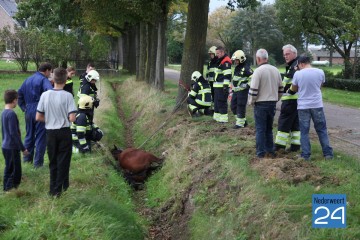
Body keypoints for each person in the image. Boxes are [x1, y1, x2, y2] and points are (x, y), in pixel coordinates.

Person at [36, 67, 77, 197]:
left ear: (52, 80)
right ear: (65, 80)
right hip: (64, 132)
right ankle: (59, 189)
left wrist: (50, 119)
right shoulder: (68, 96)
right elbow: (72, 118)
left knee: (52, 161)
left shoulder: (45, 95)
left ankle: (52, 189)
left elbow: (38, 117)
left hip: (50, 132)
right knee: (63, 161)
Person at [288, 56, 334, 160]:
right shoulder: (320, 72)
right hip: (317, 105)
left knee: (304, 131)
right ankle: (328, 154)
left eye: (298, 65)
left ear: (301, 64)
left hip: (303, 106)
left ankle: (306, 155)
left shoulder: (298, 74)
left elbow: (294, 88)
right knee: (322, 129)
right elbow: (320, 86)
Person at [248, 49, 284, 158]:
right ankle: (270, 150)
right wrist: (276, 99)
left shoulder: (258, 71)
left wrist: (251, 102)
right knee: (269, 128)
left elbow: (253, 90)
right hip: (272, 103)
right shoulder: (276, 70)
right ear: (267, 58)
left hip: (260, 104)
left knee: (260, 129)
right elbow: (281, 88)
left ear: (258, 59)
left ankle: (260, 153)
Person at [18, 62, 53, 168]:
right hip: (40, 110)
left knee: (29, 135)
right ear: (46, 70)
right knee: (41, 137)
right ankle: (38, 164)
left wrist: (24, 107)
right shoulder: (44, 80)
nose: (50, 74)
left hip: (29, 109)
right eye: (50, 72)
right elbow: (50, 92)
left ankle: (27, 159)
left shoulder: (27, 79)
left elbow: (19, 93)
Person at [274, 44, 301, 152]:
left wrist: (284, 91)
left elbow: (293, 83)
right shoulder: (294, 65)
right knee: (295, 124)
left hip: (290, 99)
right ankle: (295, 146)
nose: (285, 56)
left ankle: (279, 146)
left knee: (284, 122)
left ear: (294, 53)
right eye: (284, 54)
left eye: (287, 54)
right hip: (295, 100)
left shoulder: (295, 66)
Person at [1, 90, 29, 191]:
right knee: (15, 171)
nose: (17, 102)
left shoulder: (3, 113)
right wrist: (23, 149)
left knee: (8, 168)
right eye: (17, 100)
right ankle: (10, 189)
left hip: (5, 146)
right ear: (14, 100)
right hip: (12, 147)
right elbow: (14, 134)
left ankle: (6, 188)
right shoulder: (11, 114)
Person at [230, 50, 253, 129]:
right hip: (236, 91)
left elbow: (254, 78)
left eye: (236, 60)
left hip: (243, 91)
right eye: (235, 60)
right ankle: (243, 121)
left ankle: (240, 124)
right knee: (233, 106)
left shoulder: (246, 68)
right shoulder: (237, 68)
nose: (235, 62)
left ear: (241, 59)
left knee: (240, 106)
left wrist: (247, 85)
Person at [213, 46, 232, 123]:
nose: (217, 55)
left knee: (222, 102)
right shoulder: (220, 60)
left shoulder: (226, 61)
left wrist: (225, 86)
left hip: (222, 87)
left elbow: (227, 75)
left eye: (218, 53)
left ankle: (223, 119)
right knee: (217, 102)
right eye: (216, 53)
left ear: (222, 52)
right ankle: (217, 118)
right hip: (217, 86)